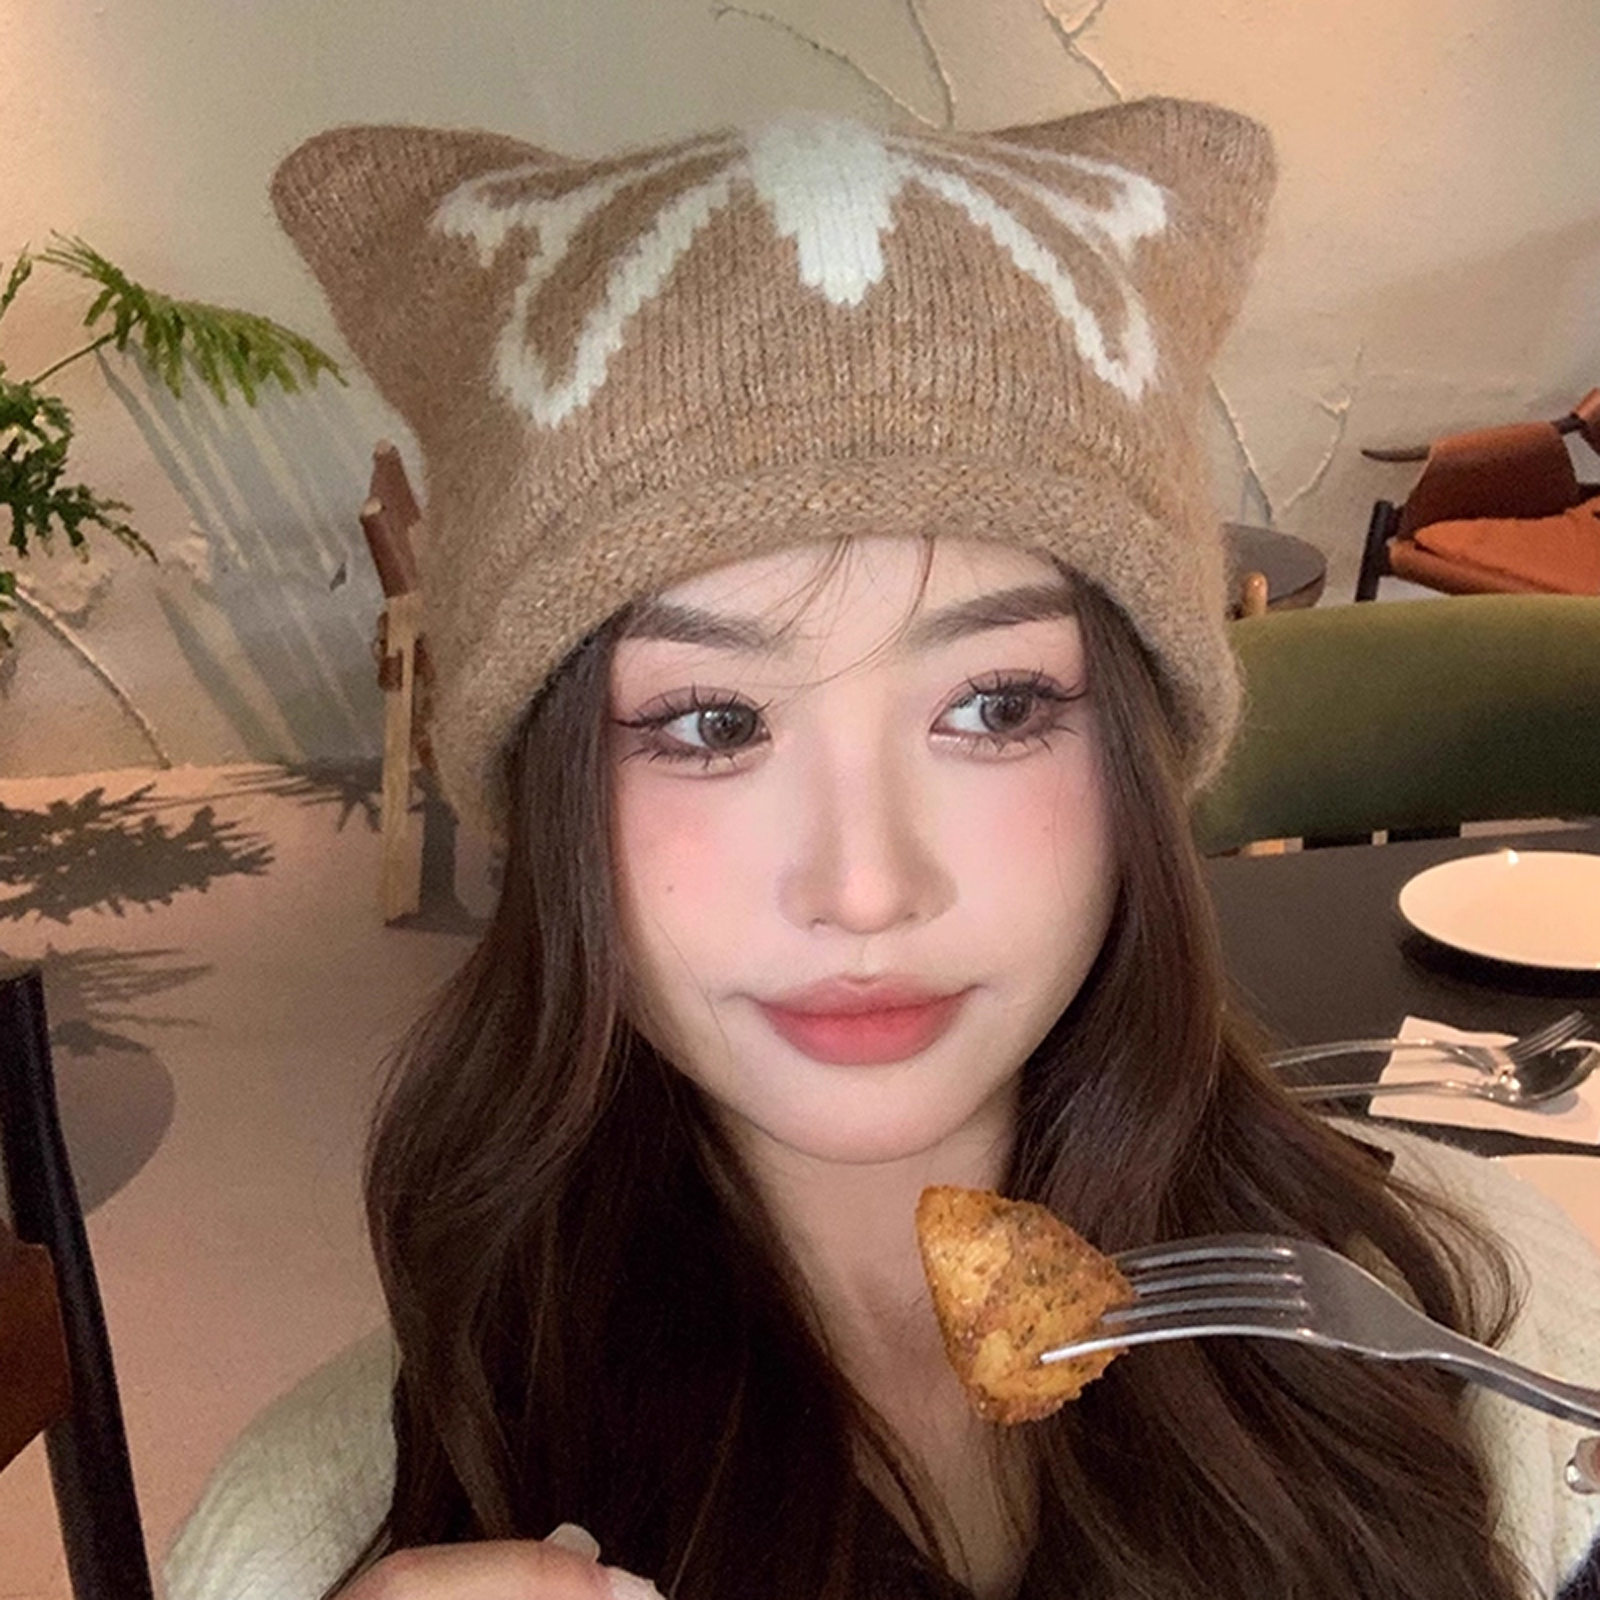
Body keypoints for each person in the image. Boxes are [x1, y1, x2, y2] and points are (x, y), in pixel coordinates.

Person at [167, 100, 1600, 1600]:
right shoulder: (320, 1539)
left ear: (1135, 751)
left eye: (996, 706)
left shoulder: (1495, 1336)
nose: (866, 887)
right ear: (550, 790)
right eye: (711, 722)